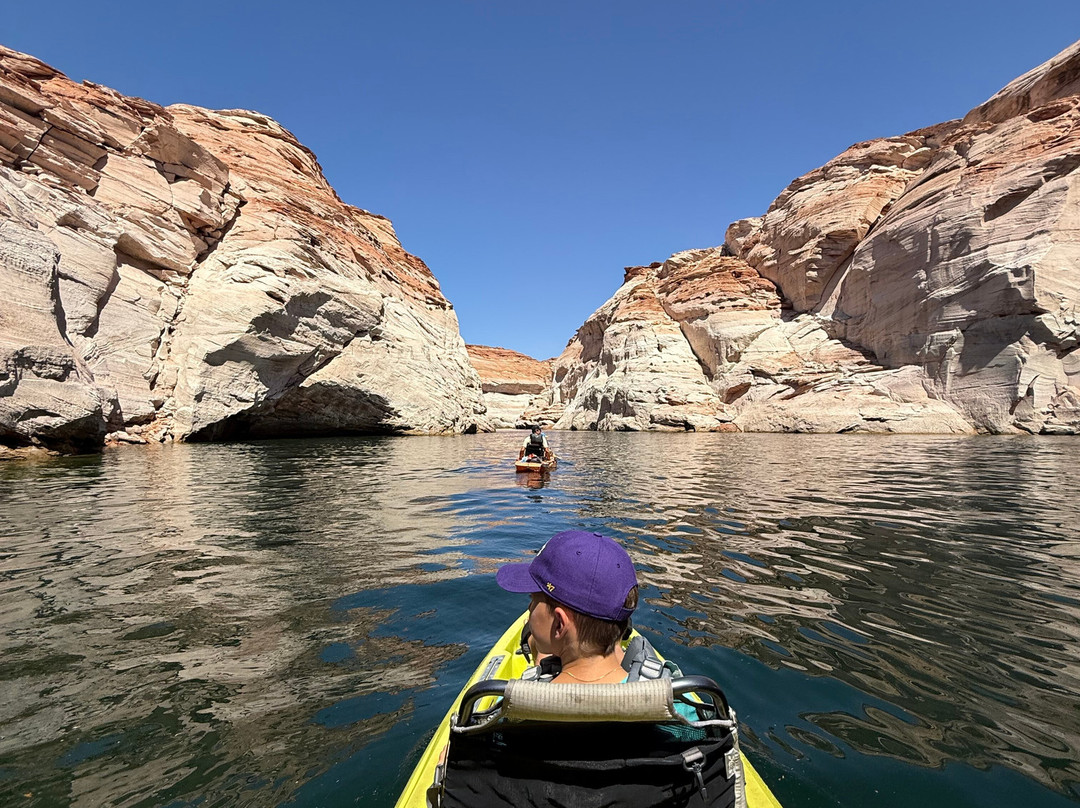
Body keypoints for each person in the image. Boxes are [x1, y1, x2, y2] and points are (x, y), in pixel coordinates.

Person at [496, 530, 638, 684]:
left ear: (559, 623)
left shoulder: (511, 701)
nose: (530, 608)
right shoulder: (662, 696)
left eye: (533, 600)